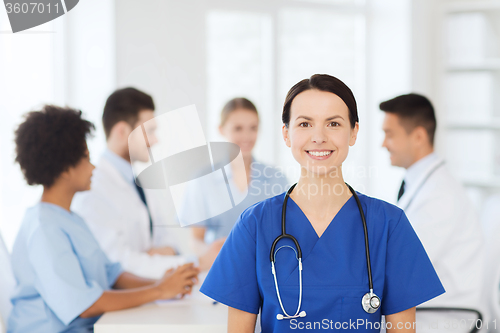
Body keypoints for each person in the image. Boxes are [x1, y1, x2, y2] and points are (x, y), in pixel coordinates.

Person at [200, 74, 445, 332]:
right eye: (305, 124)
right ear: (286, 134)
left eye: (334, 124)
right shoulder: (254, 225)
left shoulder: (389, 225)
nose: (318, 137)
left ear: (354, 132)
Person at [8, 105, 198, 333]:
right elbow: (84, 305)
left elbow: (112, 274)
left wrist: (163, 284)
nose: (93, 167)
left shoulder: (71, 219)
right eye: (86, 158)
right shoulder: (43, 229)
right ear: (66, 168)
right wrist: (159, 291)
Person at [72, 88, 222, 279]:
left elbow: (170, 244)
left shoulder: (139, 183)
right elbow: (117, 264)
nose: (155, 140)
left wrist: (151, 255)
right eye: (149, 131)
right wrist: (196, 262)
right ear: (122, 131)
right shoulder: (93, 188)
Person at [380, 93, 484, 316]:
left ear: (418, 136)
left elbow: (403, 266)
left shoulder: (440, 196)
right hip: (425, 307)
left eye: (389, 135)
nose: (383, 144)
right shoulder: (422, 184)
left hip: (442, 315)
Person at [189, 98, 289, 245]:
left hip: (264, 265)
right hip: (219, 265)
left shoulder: (277, 178)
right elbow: (196, 240)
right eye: (238, 128)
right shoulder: (203, 179)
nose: (246, 136)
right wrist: (211, 256)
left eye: (253, 128)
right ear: (221, 130)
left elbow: (286, 231)